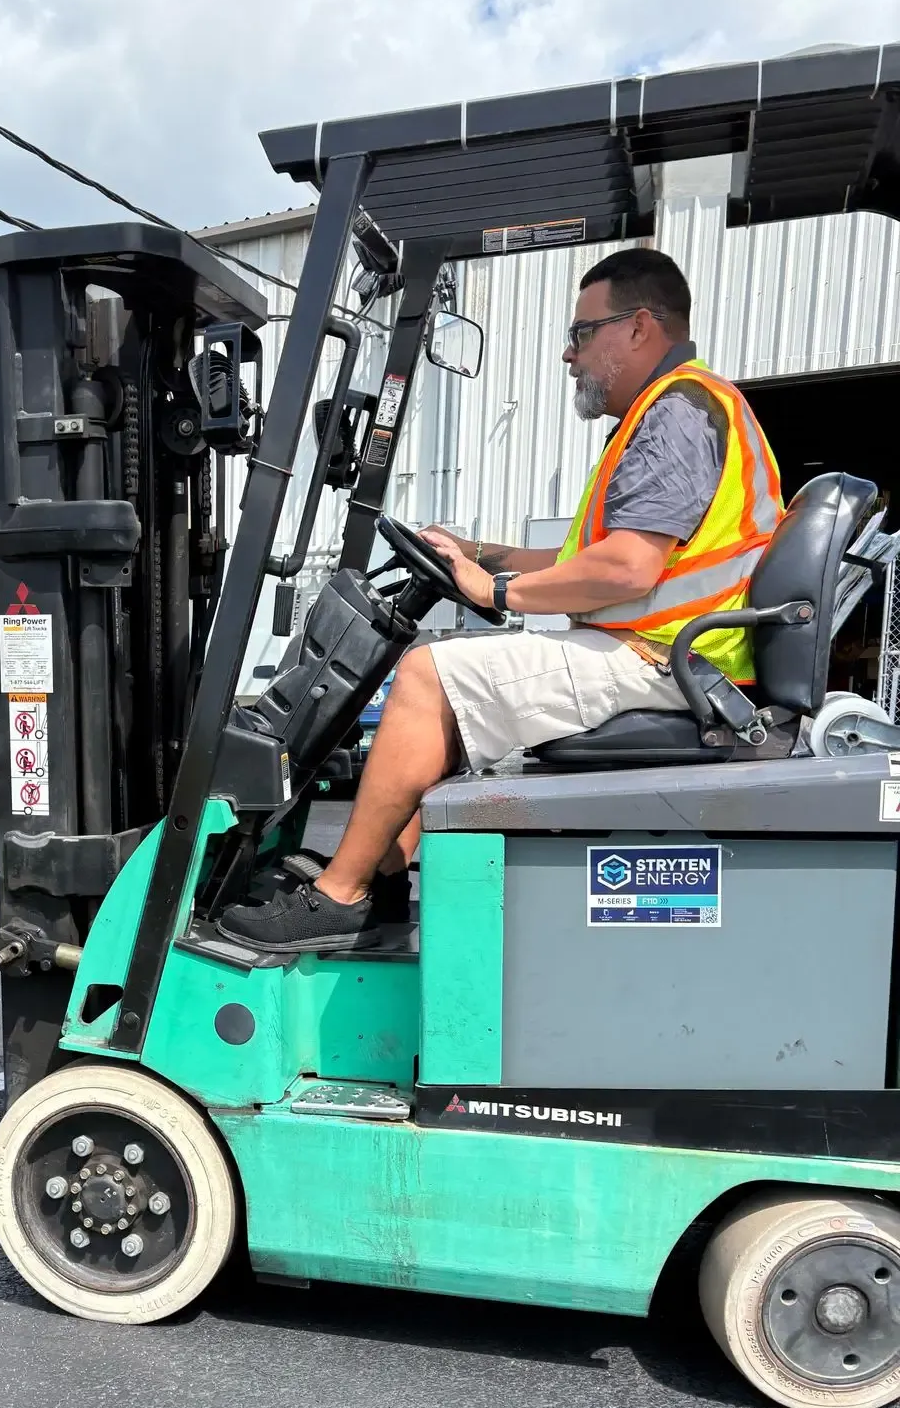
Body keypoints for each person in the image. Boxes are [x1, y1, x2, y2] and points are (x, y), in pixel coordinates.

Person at [220, 247, 783, 953]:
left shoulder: (678, 412)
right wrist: (476, 553)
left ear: (640, 328)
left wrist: (500, 589)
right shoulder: (672, 410)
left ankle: (341, 893)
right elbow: (588, 559)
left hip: (666, 661)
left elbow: (630, 569)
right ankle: (383, 869)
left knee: (428, 676)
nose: (568, 355)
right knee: (452, 680)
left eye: (582, 333)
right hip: (668, 654)